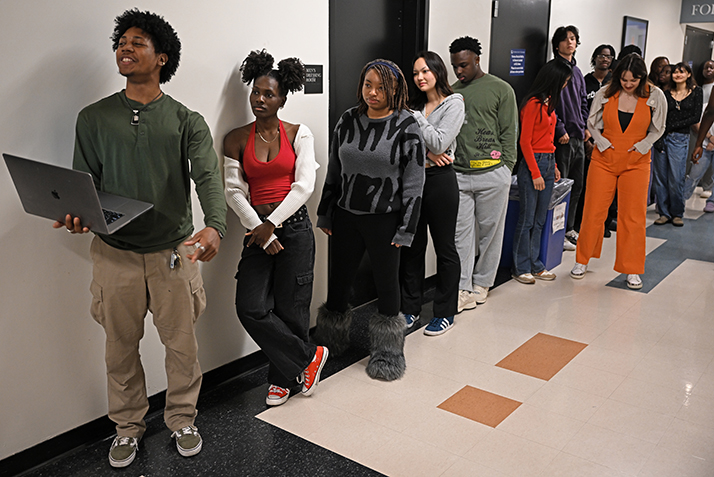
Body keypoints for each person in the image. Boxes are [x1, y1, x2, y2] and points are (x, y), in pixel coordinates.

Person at [53, 9, 227, 467]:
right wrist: (77, 216)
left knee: (182, 348)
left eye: (137, 42)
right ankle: (128, 428)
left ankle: (182, 418)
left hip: (173, 254)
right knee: (119, 351)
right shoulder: (93, 118)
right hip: (115, 256)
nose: (125, 48)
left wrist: (214, 223)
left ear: (161, 58)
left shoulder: (185, 120)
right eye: (121, 42)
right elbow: (82, 183)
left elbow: (208, 175)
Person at [223, 50, 327, 408]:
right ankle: (307, 358)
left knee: (291, 308)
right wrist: (258, 228)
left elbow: (304, 186)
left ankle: (283, 380)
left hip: (294, 229)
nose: (260, 99)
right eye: (256, 92)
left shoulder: (299, 134)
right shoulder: (236, 138)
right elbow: (233, 191)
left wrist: (271, 225)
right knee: (249, 306)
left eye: (269, 94)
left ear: (283, 98)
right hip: (256, 232)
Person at [315, 59, 425, 381]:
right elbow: (335, 168)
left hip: (385, 220)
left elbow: (415, 183)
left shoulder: (407, 126)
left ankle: (388, 355)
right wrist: (326, 211)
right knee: (339, 282)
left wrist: (407, 229)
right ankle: (330, 343)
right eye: (368, 85)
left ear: (395, 90)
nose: (373, 93)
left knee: (387, 286)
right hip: (347, 216)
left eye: (381, 87)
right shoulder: (348, 120)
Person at [571, 54, 666, 289]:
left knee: (632, 216)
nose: (628, 84)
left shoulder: (655, 95)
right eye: (624, 79)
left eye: (633, 80)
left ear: (642, 77)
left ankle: (632, 268)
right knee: (593, 210)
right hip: (604, 158)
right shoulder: (606, 92)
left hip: (637, 160)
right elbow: (591, 122)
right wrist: (600, 140)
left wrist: (644, 145)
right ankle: (582, 260)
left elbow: (659, 127)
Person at [449, 36, 518, 312]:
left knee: (491, 233)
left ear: (477, 59)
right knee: (460, 234)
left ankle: (482, 283)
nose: (459, 71)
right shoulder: (452, 92)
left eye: (464, 65)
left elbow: (509, 131)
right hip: (459, 174)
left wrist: (506, 169)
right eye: (455, 66)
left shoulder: (501, 89)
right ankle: (463, 286)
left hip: (493, 173)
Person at [399, 51, 464, 336]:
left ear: (437, 71)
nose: (419, 77)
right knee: (411, 248)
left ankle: (445, 312)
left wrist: (418, 123)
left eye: (424, 71)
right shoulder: (413, 105)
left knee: (445, 249)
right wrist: (427, 151)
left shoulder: (454, 103)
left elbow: (440, 141)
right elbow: (400, 145)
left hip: (440, 182)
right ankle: (410, 309)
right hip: (413, 180)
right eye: (415, 73)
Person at [512, 59, 570, 284]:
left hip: (547, 161)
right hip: (532, 164)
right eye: (563, 82)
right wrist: (536, 173)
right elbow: (525, 142)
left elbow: (548, 139)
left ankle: (536, 264)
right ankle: (521, 267)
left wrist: (553, 166)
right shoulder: (533, 104)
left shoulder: (549, 105)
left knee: (539, 219)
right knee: (526, 219)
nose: (565, 86)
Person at [551, 26, 589, 252]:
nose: (570, 43)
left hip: (578, 137)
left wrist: (584, 126)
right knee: (561, 187)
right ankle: (557, 232)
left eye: (573, 39)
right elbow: (550, 103)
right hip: (562, 138)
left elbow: (583, 102)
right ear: (557, 45)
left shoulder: (577, 72)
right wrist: (560, 129)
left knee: (577, 185)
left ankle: (569, 227)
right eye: (565, 40)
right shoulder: (554, 70)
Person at [652, 62, 702, 227]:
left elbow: (695, 117)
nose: (677, 74)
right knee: (660, 177)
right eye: (675, 72)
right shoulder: (666, 94)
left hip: (680, 138)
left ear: (688, 74)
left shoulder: (696, 92)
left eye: (682, 72)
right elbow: (660, 116)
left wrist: (671, 126)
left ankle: (677, 213)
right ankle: (663, 212)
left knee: (676, 177)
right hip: (661, 137)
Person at [579, 44, 616, 237]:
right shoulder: (585, 81)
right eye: (601, 55)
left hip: (609, 140)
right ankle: (584, 223)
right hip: (587, 139)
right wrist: (588, 140)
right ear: (595, 58)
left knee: (608, 187)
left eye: (609, 56)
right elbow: (580, 110)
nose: (605, 59)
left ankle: (605, 223)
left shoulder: (615, 83)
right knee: (587, 185)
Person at [685, 59, 714, 208]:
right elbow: (709, 113)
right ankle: (680, 200)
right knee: (694, 172)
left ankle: (712, 201)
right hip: (707, 138)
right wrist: (700, 142)